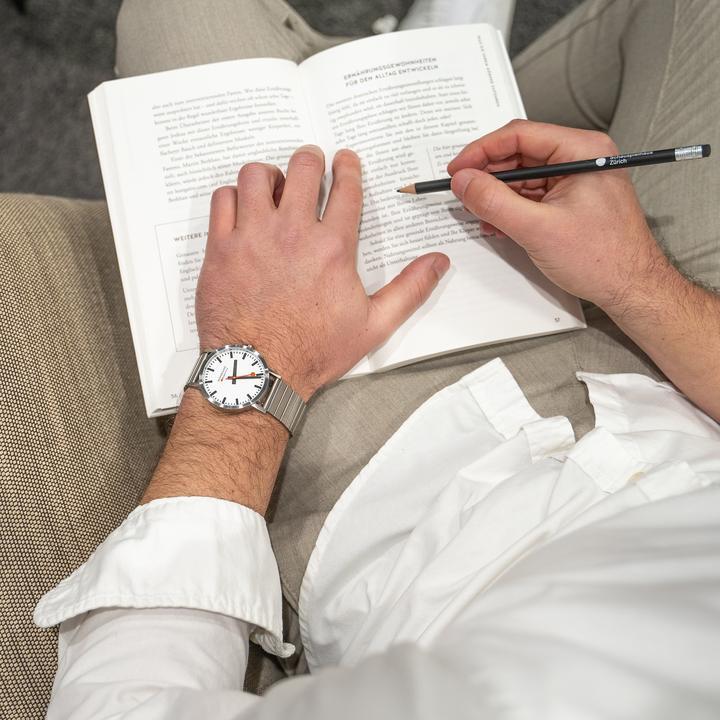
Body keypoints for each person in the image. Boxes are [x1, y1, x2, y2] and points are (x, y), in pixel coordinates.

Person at [33, 0, 720, 717]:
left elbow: (119, 705)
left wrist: (254, 361)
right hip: (668, 392)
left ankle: (419, 74)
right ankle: (439, 84)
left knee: (182, 12)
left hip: (400, 489)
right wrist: (641, 282)